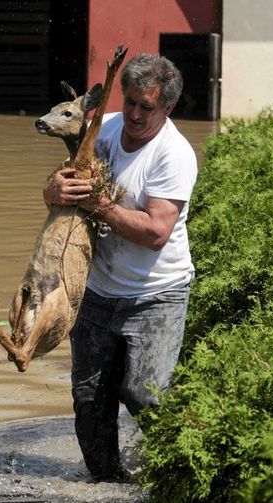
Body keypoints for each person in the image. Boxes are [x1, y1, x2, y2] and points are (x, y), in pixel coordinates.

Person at [43, 53, 198, 482]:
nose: (133, 113)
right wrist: (54, 188)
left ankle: (180, 473)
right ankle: (109, 485)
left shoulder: (174, 155)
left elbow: (154, 233)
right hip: (94, 293)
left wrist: (101, 204)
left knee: (144, 396)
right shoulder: (103, 128)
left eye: (146, 107)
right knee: (90, 402)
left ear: (166, 109)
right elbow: (63, 185)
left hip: (156, 296)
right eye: (129, 101)